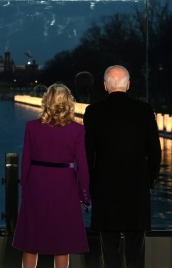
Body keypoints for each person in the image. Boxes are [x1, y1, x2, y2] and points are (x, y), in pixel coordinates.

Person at [83, 65, 162, 268]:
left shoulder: (93, 112)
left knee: (109, 249)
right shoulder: (144, 110)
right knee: (136, 249)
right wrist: (149, 180)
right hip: (136, 187)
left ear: (105, 86)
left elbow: (88, 154)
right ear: (128, 85)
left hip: (105, 188)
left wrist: (91, 184)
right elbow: (155, 152)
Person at [12, 83, 90, 268]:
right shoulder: (77, 130)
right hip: (65, 187)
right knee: (62, 243)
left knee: (31, 241)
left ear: (46, 101)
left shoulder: (32, 126)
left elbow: (26, 163)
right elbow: (83, 166)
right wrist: (84, 194)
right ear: (68, 103)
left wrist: (25, 189)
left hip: (37, 185)